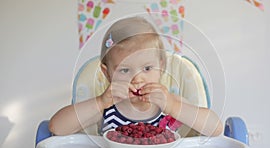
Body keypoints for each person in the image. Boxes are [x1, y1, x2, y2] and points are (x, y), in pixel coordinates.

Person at [49, 16, 223, 137]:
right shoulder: (106, 109)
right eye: (125, 70)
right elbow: (56, 128)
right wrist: (100, 102)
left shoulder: (171, 105)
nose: (137, 79)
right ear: (107, 73)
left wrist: (171, 105)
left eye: (147, 68)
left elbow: (215, 128)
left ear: (161, 67)